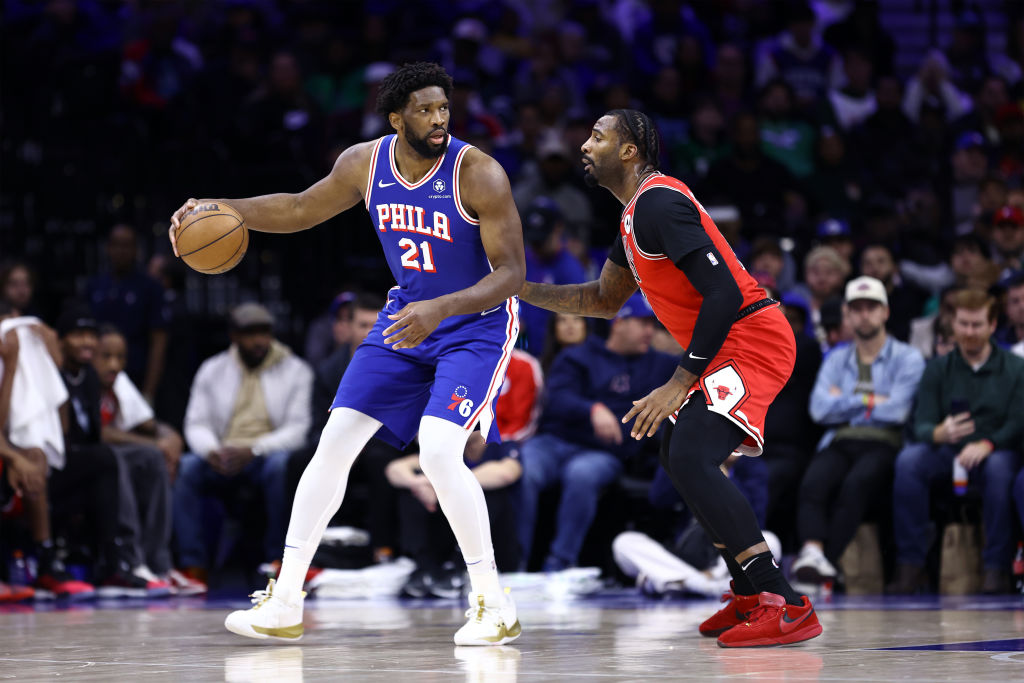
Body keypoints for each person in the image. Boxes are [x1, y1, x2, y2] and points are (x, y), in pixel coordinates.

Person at [168, 63, 526, 646]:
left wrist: (440, 310)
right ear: (395, 117)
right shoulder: (365, 163)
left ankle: (493, 602)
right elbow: (300, 208)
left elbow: (512, 276)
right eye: (425, 110)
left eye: (444, 109)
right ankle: (285, 599)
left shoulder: (479, 173)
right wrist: (221, 207)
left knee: (438, 452)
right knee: (331, 446)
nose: (439, 120)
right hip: (405, 317)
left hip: (474, 325)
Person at [519, 109, 821, 647]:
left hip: (752, 339)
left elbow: (725, 292)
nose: (584, 145)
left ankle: (786, 602)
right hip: (727, 345)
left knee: (690, 455)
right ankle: (748, 592)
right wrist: (518, 289)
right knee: (675, 453)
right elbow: (602, 301)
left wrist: (678, 382)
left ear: (630, 150)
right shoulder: (634, 215)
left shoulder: (660, 201)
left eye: (597, 137)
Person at [517, 292, 677, 571]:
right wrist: (591, 409)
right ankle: (514, 563)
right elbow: (556, 398)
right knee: (525, 468)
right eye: (644, 324)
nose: (650, 332)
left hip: (603, 452)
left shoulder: (660, 364)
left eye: (653, 325)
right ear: (619, 323)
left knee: (581, 474)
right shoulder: (577, 356)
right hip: (555, 442)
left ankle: (559, 563)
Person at [792, 277, 924, 586]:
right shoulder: (836, 358)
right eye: (857, 308)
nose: (864, 314)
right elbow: (819, 409)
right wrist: (870, 399)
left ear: (885, 312)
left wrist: (845, 399)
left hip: (884, 442)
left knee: (856, 485)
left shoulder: (908, 357)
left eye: (871, 307)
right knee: (813, 481)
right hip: (841, 439)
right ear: (848, 315)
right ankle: (812, 552)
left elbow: (898, 411)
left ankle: (826, 564)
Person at [890, 289, 1024, 595]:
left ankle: (996, 568)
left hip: (996, 450)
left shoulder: (1015, 368)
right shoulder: (938, 368)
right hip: (948, 449)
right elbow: (922, 422)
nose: (969, 332)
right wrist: (938, 432)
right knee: (909, 462)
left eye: (977, 325)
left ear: (992, 325)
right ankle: (910, 565)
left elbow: (1018, 422)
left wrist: (988, 444)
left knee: (1000, 471)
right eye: (963, 324)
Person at [173, 302, 313, 585]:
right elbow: (196, 423)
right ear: (234, 336)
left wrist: (255, 449)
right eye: (250, 333)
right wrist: (211, 451)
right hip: (223, 453)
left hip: (264, 454)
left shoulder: (296, 370)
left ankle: (277, 560)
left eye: (264, 332)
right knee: (187, 468)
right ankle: (194, 565)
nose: (259, 340)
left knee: (280, 467)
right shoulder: (212, 370)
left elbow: (299, 428)